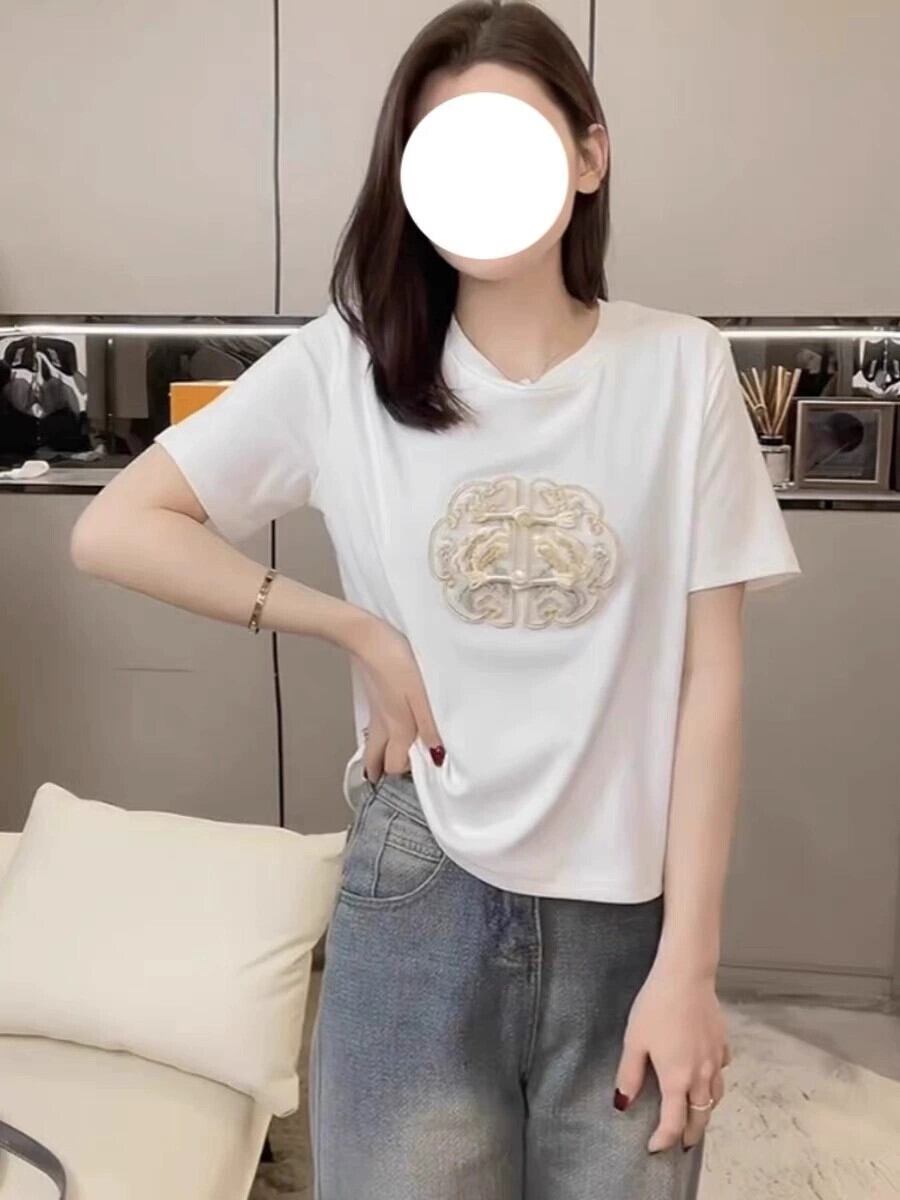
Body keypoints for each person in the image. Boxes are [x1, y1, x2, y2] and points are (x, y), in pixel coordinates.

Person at [70, 3, 802, 1197]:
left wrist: (691, 965)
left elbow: (708, 684)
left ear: (588, 156)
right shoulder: (345, 366)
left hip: (627, 906)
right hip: (419, 878)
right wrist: (351, 625)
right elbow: (118, 527)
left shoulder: (681, 368)